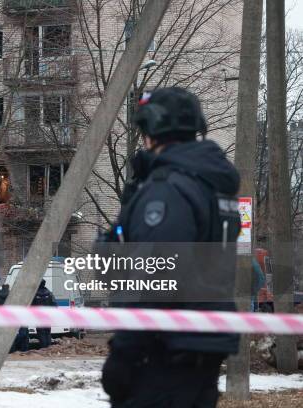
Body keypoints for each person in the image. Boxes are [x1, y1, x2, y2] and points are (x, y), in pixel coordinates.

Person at [100, 87, 241, 408]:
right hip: (196, 349)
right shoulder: (208, 185)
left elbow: (157, 279)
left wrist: (125, 351)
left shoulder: (168, 190)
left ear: (152, 129)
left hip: (161, 355)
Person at [32, 279, 57, 349]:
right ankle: (48, 348)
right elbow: (55, 305)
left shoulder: (34, 294)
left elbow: (31, 306)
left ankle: (43, 347)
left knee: (41, 332)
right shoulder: (49, 293)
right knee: (47, 332)